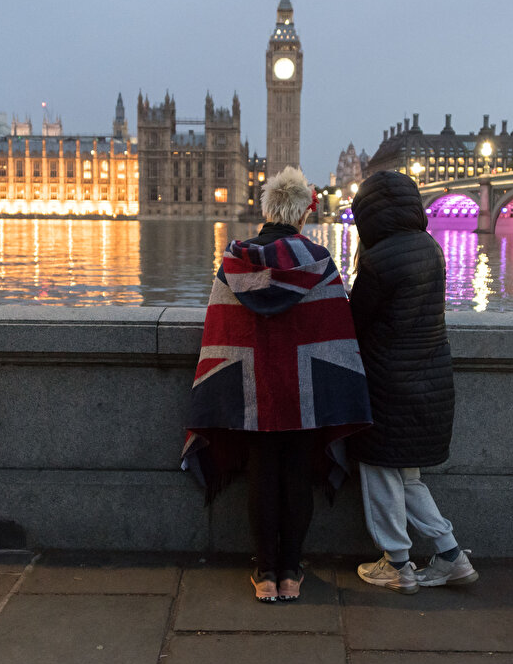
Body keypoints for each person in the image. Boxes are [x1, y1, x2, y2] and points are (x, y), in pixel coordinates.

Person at [182, 166, 371, 603]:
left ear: (265, 210)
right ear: (304, 213)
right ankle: (291, 572)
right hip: (303, 391)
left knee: (262, 473)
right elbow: (335, 328)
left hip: (251, 388)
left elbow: (221, 330)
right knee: (297, 474)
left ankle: (265, 573)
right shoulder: (320, 261)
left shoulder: (234, 261)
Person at [347, 170, 478, 594]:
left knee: (378, 471)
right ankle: (451, 556)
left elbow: (354, 321)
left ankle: (397, 564)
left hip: (388, 384)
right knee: (408, 477)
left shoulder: (379, 259)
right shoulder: (430, 247)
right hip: (429, 380)